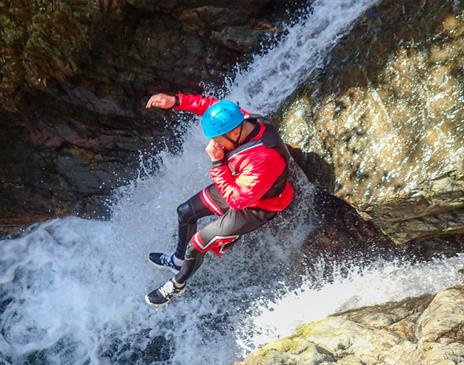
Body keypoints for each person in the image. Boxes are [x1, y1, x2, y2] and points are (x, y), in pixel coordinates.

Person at [144, 92, 294, 306]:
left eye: (217, 139)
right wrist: (176, 101)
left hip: (255, 206)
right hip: (239, 186)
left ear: (234, 133)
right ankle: (178, 262)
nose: (214, 144)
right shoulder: (242, 121)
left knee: (196, 244)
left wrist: (217, 164)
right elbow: (212, 108)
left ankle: (177, 285)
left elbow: (236, 201)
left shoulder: (263, 157)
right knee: (185, 211)